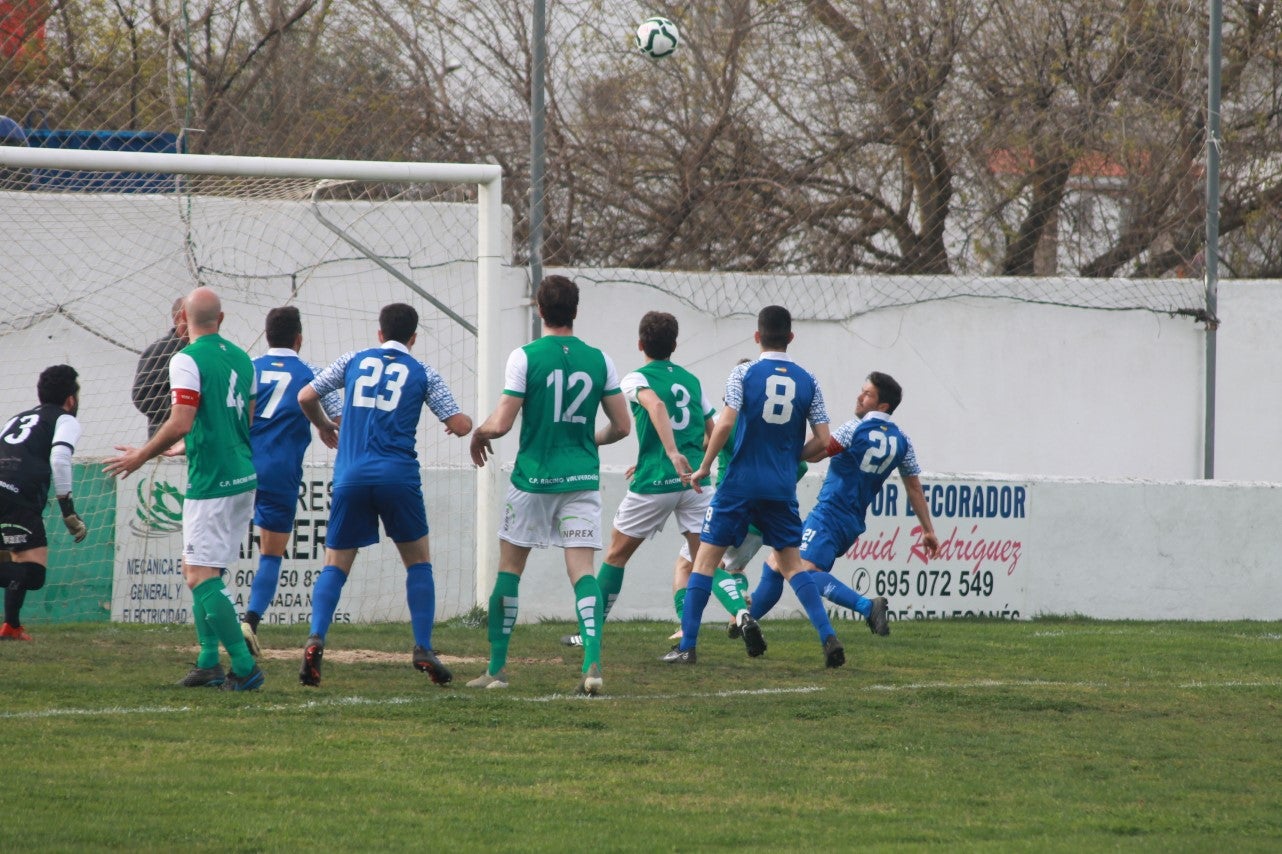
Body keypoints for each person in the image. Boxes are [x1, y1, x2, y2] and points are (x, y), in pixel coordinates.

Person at [468, 275, 631, 695]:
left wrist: (480, 432)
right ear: (575, 311)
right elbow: (622, 426)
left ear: (540, 310)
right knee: (583, 573)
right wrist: (588, 441)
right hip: (581, 479)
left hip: (533, 479)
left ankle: (496, 670)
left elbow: (502, 423)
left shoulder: (525, 356)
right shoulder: (600, 359)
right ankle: (592, 664)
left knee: (510, 569)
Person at [296, 302, 472, 688]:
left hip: (351, 475)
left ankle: (316, 638)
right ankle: (423, 647)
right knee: (418, 562)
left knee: (335, 564)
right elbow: (459, 425)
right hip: (398, 477)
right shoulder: (423, 372)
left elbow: (306, 396)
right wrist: (466, 424)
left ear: (379, 333)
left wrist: (324, 425)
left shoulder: (352, 360)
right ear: (413, 337)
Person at [105, 287, 264, 691]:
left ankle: (244, 666)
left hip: (212, 481)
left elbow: (181, 420)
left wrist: (142, 455)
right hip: (242, 474)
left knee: (199, 575)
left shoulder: (185, 358)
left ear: (181, 321)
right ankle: (208, 661)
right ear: (221, 319)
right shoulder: (244, 358)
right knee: (200, 570)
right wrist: (187, 447)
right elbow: (242, 420)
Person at [663, 305, 830, 665]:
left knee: (703, 563)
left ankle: (688, 645)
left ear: (757, 336)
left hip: (738, 486)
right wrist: (789, 458)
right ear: (791, 337)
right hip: (780, 488)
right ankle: (828, 638)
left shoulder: (742, 373)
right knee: (793, 566)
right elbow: (824, 440)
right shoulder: (809, 379)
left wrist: (704, 467)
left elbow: (724, 424)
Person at [750, 371, 940, 666]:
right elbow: (914, 487)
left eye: (867, 394)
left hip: (829, 514)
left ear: (883, 405)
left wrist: (782, 451)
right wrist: (928, 530)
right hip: (851, 521)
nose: (859, 397)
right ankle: (744, 621)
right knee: (776, 563)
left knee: (803, 571)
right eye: (862, 391)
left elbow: (817, 453)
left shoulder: (854, 428)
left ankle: (866, 606)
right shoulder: (902, 440)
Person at [558, 311, 715, 649]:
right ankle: (704, 631)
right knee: (703, 561)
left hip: (656, 481)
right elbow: (712, 432)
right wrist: (690, 458)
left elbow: (655, 406)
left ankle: (589, 633)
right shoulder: (692, 381)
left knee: (616, 554)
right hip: (695, 483)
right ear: (675, 345)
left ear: (640, 344)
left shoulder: (636, 378)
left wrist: (669, 453)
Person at [240, 306, 343, 652]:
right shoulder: (314, 374)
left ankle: (214, 621)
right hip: (280, 471)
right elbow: (341, 419)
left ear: (267, 336)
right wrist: (325, 425)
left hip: (239, 466)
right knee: (271, 554)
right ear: (299, 339)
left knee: (219, 548)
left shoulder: (247, 368)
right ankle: (250, 621)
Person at [0, 365, 88, 640]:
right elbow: (60, 459)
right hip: (16, 495)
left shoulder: (17, 418)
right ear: (71, 399)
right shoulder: (65, 419)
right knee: (33, 574)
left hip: (8, 491)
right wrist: (68, 510)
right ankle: (11, 625)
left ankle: (12, 626)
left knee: (16, 559)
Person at [132, 297, 189, 438]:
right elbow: (142, 395)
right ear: (178, 319)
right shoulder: (161, 350)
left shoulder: (204, 350)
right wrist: (182, 410)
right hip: (168, 438)